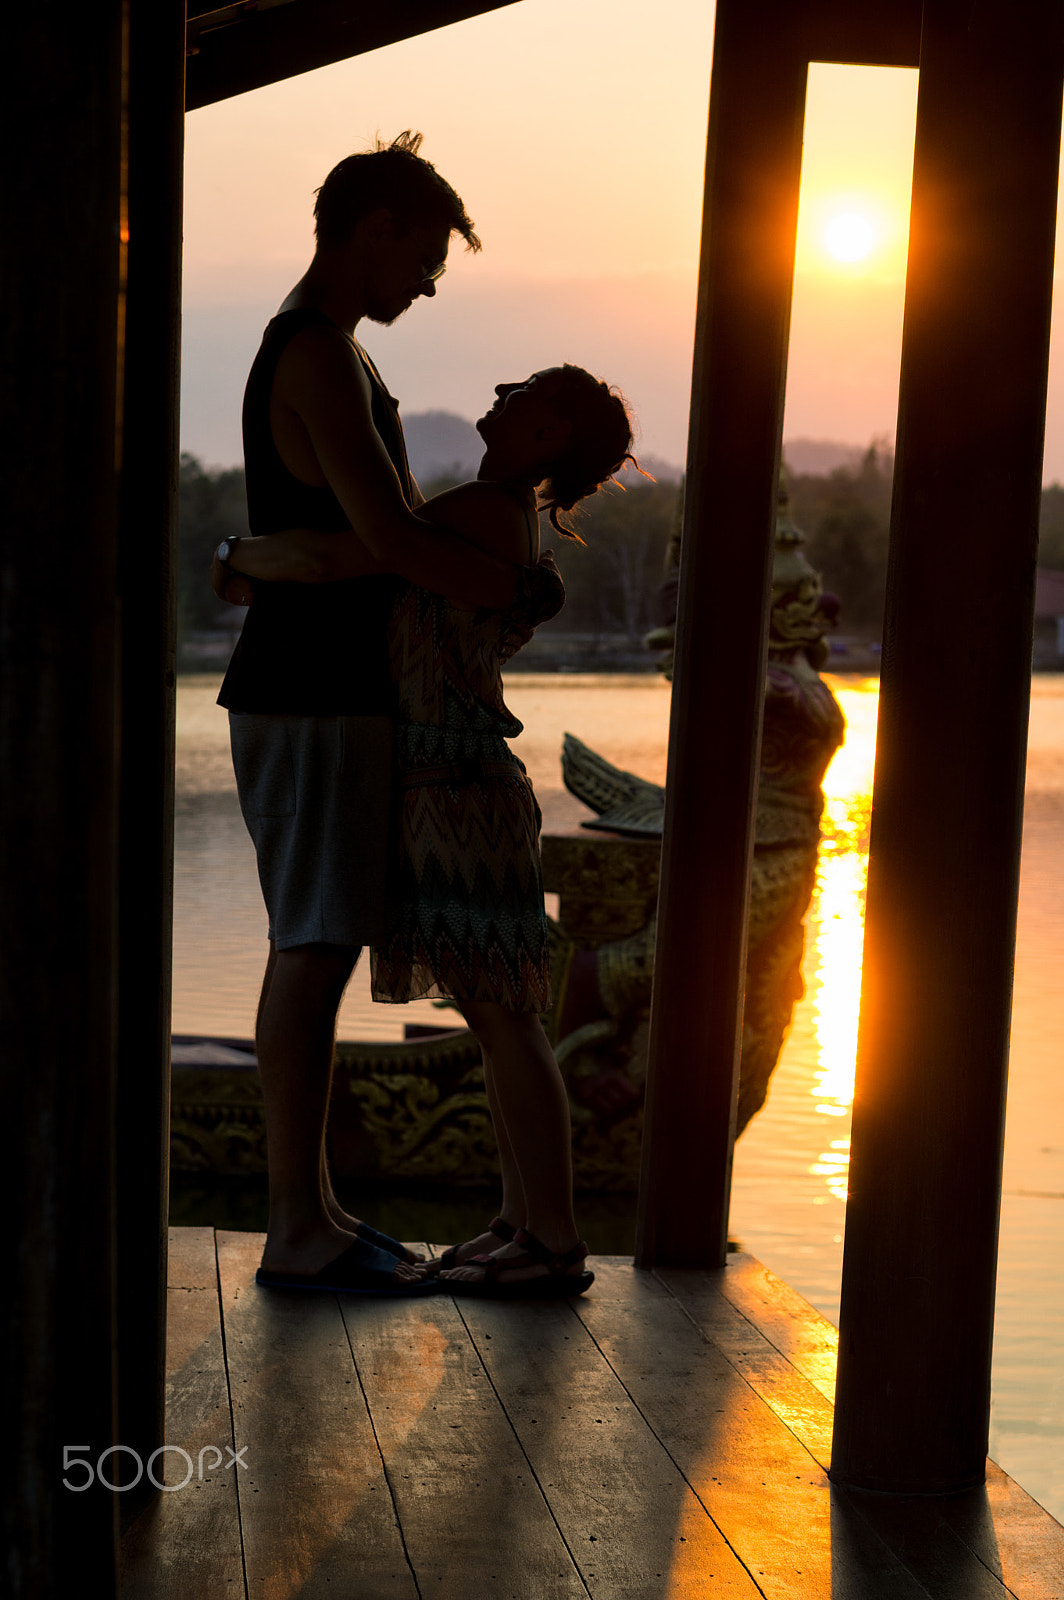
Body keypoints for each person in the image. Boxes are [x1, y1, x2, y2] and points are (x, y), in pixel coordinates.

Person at [213, 132, 562, 1297]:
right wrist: (511, 586)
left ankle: (312, 1209)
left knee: (317, 939)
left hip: (334, 692)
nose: (428, 283)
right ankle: (295, 1225)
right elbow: (393, 539)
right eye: (421, 258)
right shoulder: (311, 355)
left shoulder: (340, 357)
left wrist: (277, 555)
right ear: (372, 230)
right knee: (310, 946)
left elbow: (370, 541)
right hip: (305, 696)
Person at [223, 365, 638, 1298]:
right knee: (495, 1018)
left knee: (505, 1016)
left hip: (458, 787)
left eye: (524, 388)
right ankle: (520, 1220)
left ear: (549, 432)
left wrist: (231, 553)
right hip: (446, 783)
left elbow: (338, 557)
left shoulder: (485, 510)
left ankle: (556, 1241)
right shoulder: (491, 511)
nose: (499, 387)